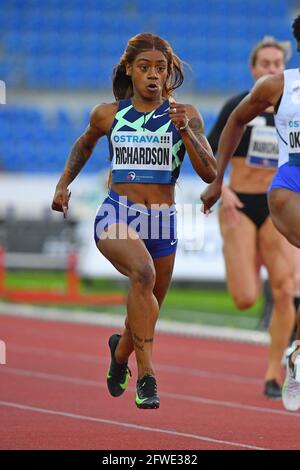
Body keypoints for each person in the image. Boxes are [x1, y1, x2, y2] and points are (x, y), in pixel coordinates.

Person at [51, 32, 216, 410]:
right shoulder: (108, 114)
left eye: (161, 68)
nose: (153, 75)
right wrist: (63, 184)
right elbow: (84, 144)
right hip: (117, 213)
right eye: (144, 68)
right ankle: (147, 377)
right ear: (130, 70)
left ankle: (119, 353)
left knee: (145, 312)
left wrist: (186, 132)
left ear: (170, 72)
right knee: (143, 275)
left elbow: (209, 173)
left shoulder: (186, 115)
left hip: (162, 222)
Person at [201, 15, 300, 412]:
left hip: (277, 199)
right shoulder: (273, 90)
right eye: (266, 63)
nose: (272, 68)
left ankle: (280, 368)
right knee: (244, 297)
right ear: (255, 68)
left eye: (278, 62)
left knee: (286, 288)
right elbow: (225, 132)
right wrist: (218, 184)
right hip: (254, 200)